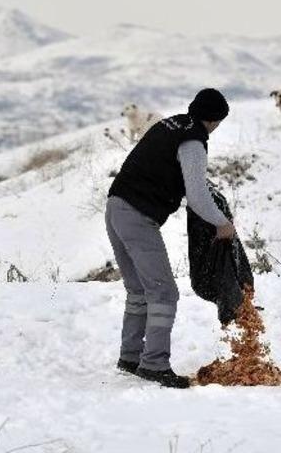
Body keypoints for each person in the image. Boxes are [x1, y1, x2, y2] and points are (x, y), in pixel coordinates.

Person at [106, 88, 236, 388]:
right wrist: (222, 223)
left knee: (138, 290)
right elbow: (197, 196)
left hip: (115, 206)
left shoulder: (170, 124)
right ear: (215, 119)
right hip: (137, 216)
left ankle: (130, 357)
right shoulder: (193, 142)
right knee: (164, 293)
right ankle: (154, 364)